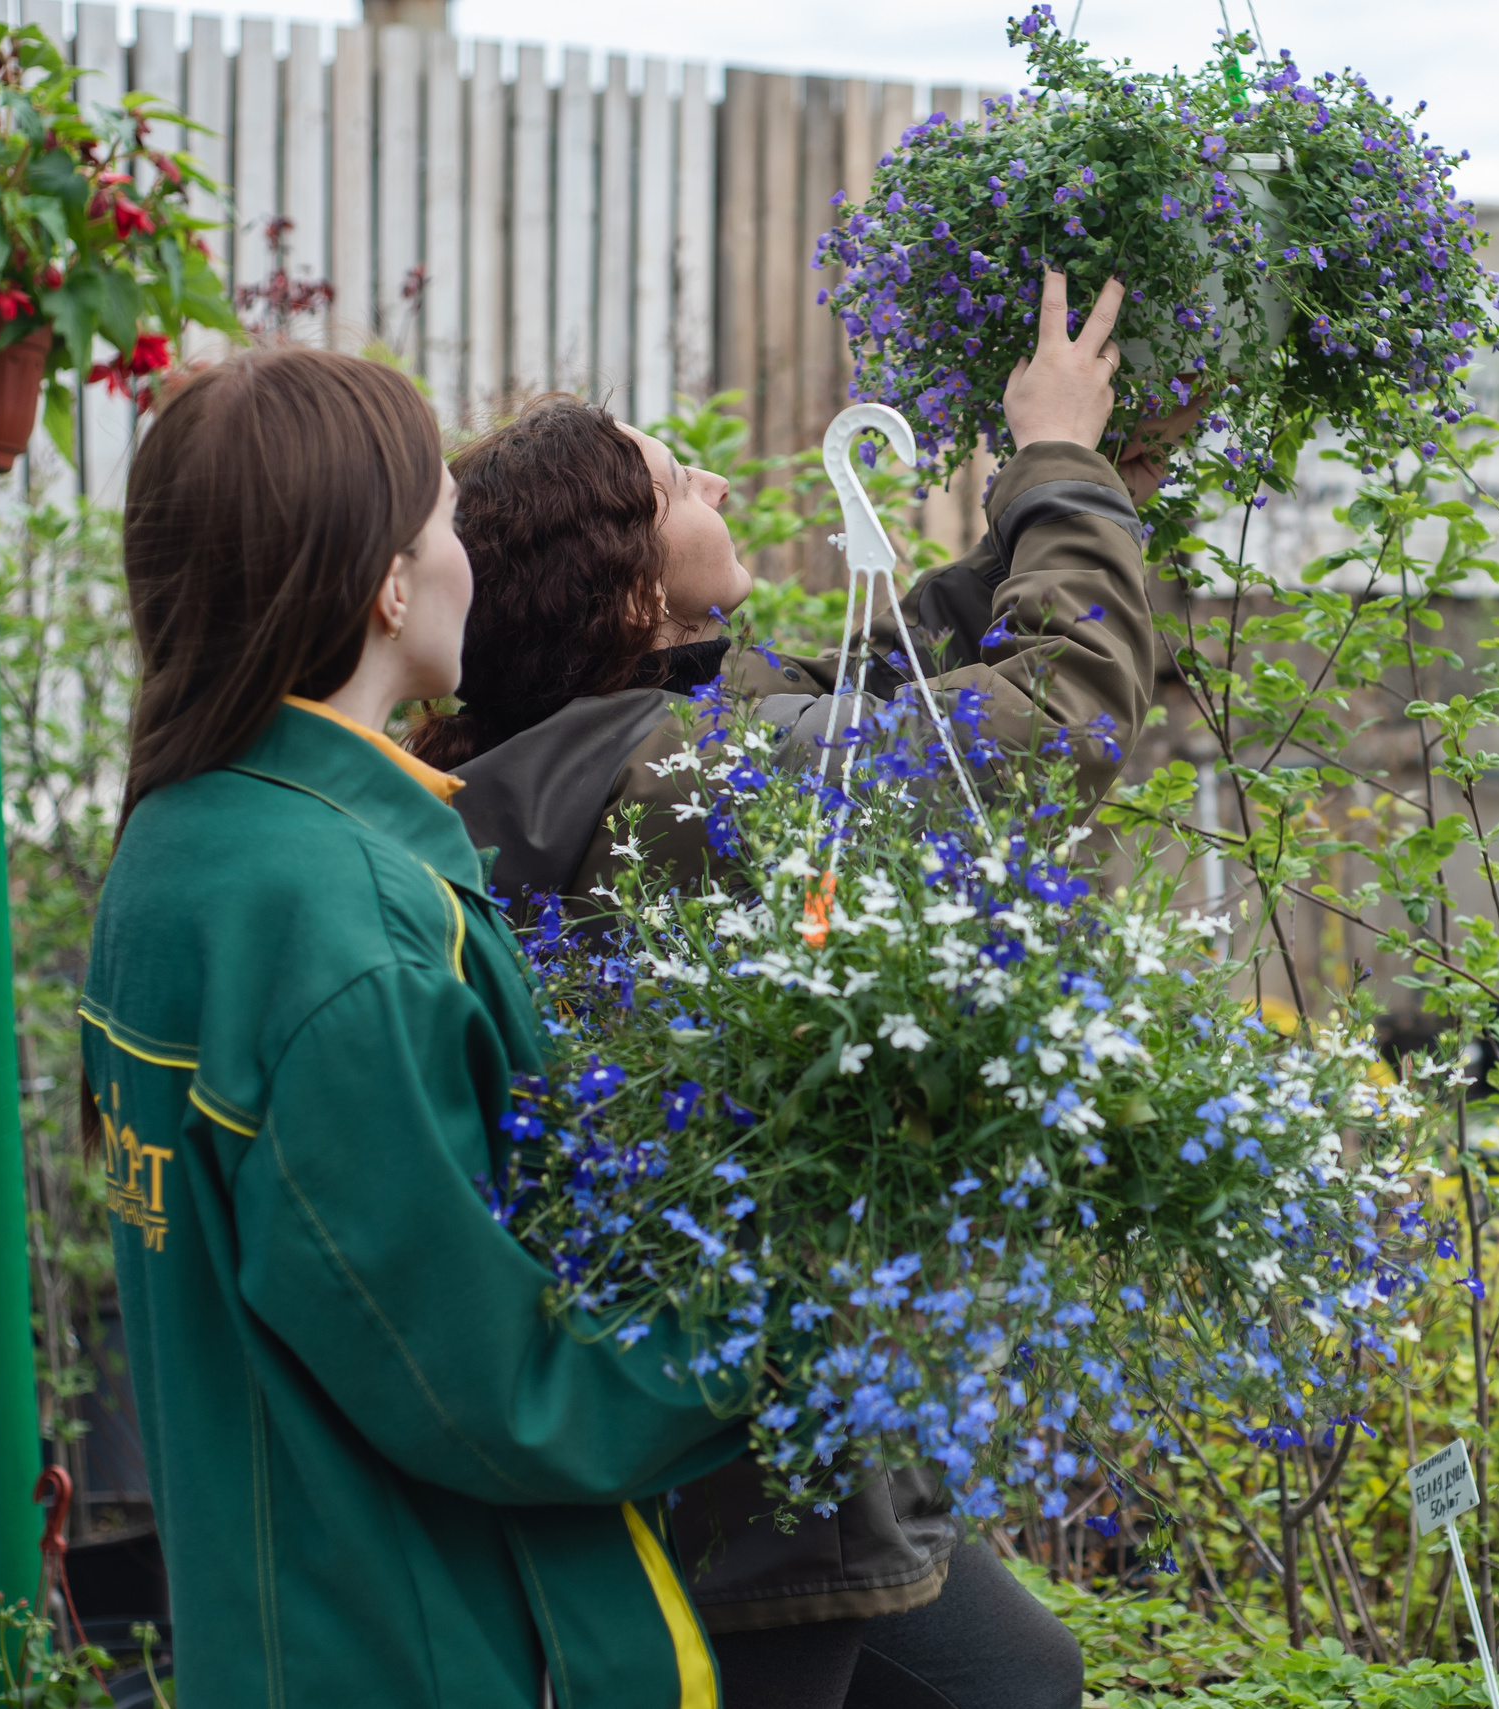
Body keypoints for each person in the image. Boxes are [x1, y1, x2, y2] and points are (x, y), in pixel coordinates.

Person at [414, 273, 1169, 1709]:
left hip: (764, 1416)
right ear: (623, 579)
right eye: (663, 472)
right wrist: (1061, 473)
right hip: (737, 1452)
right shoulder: (676, 784)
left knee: (1017, 1679)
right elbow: (1054, 711)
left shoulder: (605, 747)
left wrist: (1084, 480)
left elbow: (893, 668)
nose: (700, 467)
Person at [82, 345, 749, 1709]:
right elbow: (493, 1383)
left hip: (274, 1627)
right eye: (446, 517)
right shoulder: (344, 924)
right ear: (388, 582)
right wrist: (788, 1317)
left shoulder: (182, 842)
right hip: (419, 1648)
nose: (469, 558)